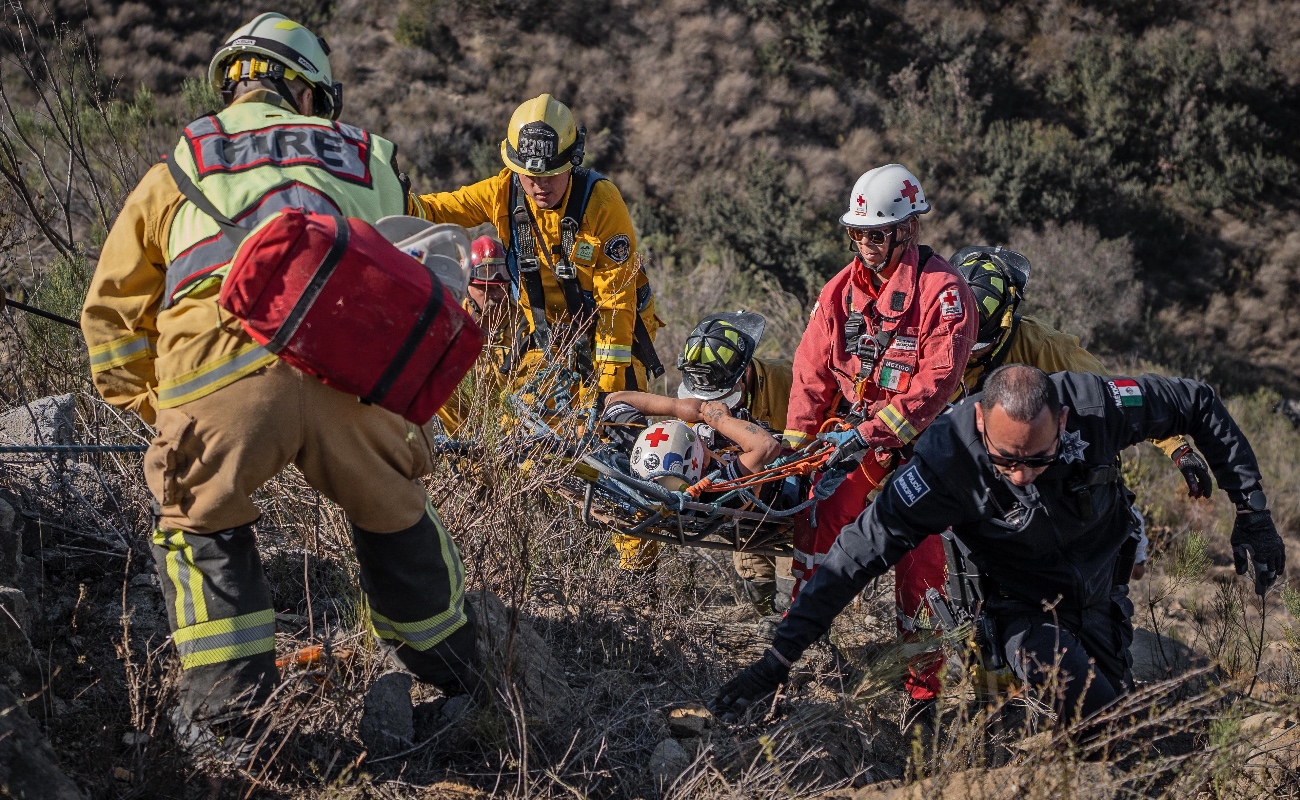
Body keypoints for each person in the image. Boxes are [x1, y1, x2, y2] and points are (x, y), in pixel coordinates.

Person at [81, 13, 478, 762]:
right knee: (394, 515)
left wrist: (160, 409)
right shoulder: (374, 155)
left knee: (202, 523)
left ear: (232, 82)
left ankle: (231, 723)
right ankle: (454, 676)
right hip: (354, 372)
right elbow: (416, 272)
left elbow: (111, 313)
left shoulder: (181, 163)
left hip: (217, 373)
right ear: (307, 88)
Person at [715, 365, 1284, 726]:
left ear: (1062, 420)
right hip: (1021, 606)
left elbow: (1199, 403)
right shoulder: (944, 462)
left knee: (1114, 711)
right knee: (1089, 702)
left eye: (1038, 459)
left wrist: (1252, 511)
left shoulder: (1098, 404)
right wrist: (776, 660)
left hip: (1100, 585)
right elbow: (852, 559)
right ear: (981, 422)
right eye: (1005, 460)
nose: (1020, 476)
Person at [783, 164, 976, 705]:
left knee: (922, 564)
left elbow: (935, 384)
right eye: (859, 233)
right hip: (856, 445)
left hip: (924, 451)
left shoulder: (943, 293)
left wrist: (869, 432)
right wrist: (798, 459)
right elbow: (811, 379)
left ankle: (922, 695)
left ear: (906, 230)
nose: (866, 244)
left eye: (877, 233)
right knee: (815, 523)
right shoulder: (839, 293)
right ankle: (797, 651)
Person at [952, 245, 1218, 579]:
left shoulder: (1045, 346)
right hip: (984, 475)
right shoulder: (932, 337)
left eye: (977, 346)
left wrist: (1177, 447)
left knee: (1128, 567)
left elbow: (1119, 394)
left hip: (1063, 472)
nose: (963, 353)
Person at [409, 94, 663, 394]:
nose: (541, 185)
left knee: (610, 425)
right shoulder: (501, 192)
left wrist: (610, 389)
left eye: (552, 174)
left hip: (615, 333)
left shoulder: (602, 203)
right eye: (531, 175)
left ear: (573, 162)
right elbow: (436, 209)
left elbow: (616, 303)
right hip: (548, 335)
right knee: (529, 428)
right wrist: (390, 195)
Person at [602, 312, 792, 592]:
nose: (701, 434)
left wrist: (678, 409)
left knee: (783, 570)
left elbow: (615, 401)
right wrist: (719, 420)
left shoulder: (652, 459)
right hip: (779, 504)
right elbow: (765, 447)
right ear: (697, 462)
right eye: (695, 438)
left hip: (781, 485)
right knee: (763, 564)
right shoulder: (718, 484)